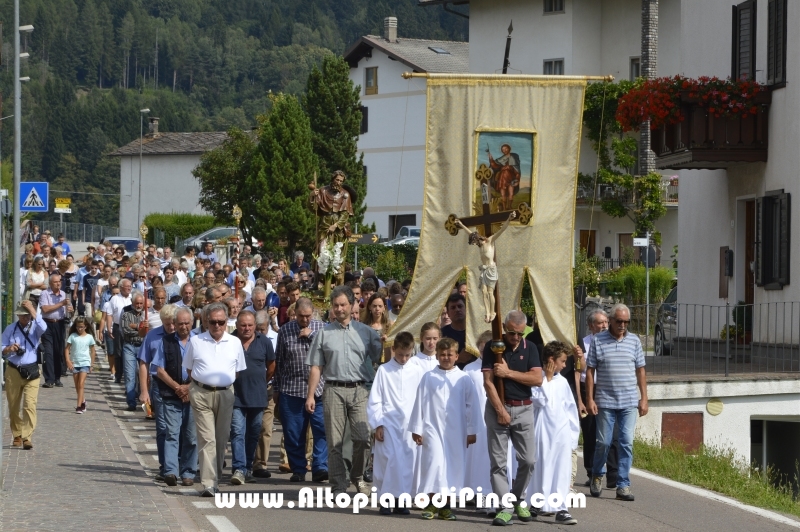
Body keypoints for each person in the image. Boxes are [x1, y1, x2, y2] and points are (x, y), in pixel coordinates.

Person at [306, 286, 383, 495]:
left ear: (352, 305)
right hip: (333, 390)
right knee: (335, 441)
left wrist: (385, 341)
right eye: (336, 305)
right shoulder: (323, 333)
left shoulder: (366, 333)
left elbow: (380, 359)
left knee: (363, 437)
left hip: (360, 390)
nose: (339, 309)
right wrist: (311, 395)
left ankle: (357, 476)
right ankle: (338, 485)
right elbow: (316, 367)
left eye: (343, 305)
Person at [482, 310, 541, 526]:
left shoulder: (530, 348)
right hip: (499, 408)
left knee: (528, 460)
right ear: (505, 330)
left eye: (519, 334)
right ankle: (505, 506)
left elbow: (537, 378)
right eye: (511, 333)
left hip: (524, 409)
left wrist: (508, 374)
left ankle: (517, 498)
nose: (515, 338)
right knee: (498, 462)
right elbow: (488, 382)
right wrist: (500, 410)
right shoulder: (493, 347)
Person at [409, 337, 478, 521]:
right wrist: (417, 427)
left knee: (452, 467)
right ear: (437, 356)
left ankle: (446, 506)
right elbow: (419, 403)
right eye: (442, 354)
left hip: (457, 430)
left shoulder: (463, 378)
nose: (446, 357)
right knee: (433, 464)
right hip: (432, 428)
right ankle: (431, 503)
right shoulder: (429, 377)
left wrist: (472, 430)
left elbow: (472, 405)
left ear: (457, 356)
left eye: (450, 354)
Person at [586, 303, 648, 502]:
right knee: (603, 442)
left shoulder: (634, 341)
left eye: (626, 322)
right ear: (611, 321)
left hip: (629, 401)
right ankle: (597, 474)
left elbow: (640, 370)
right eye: (619, 321)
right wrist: (589, 398)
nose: (622, 325)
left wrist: (644, 398)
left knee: (626, 442)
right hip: (605, 400)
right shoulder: (598, 340)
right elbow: (590, 370)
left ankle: (623, 484)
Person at [183, 302, 247, 497]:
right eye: (213, 322)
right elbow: (189, 369)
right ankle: (208, 483)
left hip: (226, 393)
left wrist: (223, 384)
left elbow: (237, 371)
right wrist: (203, 382)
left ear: (227, 322)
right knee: (207, 438)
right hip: (201, 393)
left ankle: (216, 476)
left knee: (220, 439)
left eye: (221, 322)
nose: (217, 326)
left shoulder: (234, 342)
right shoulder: (196, 341)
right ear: (205, 322)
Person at [366, 331, 425, 515]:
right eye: (400, 355)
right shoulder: (384, 370)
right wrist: (378, 424)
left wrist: (420, 425)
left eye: (408, 355)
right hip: (389, 423)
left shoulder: (416, 370)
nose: (404, 359)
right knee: (388, 461)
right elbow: (375, 399)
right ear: (393, 349)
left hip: (409, 425)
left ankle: (402, 500)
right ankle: (385, 500)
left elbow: (422, 399)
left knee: (407, 462)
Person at [275, 297, 327, 482]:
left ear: (313, 313)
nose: (304, 320)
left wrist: (311, 334)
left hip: (319, 389)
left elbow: (328, 352)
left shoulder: (322, 328)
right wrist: (277, 389)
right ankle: (298, 468)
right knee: (294, 432)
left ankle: (320, 466)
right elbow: (280, 361)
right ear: (295, 313)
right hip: (292, 389)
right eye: (301, 316)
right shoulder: (285, 330)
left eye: (307, 316)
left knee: (321, 429)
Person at [528, 341, 580, 525]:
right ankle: (536, 502)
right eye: (563, 361)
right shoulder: (537, 378)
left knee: (561, 468)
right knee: (541, 465)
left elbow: (571, 410)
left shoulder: (563, 382)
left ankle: (561, 509)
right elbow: (541, 400)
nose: (565, 365)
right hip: (542, 430)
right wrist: (547, 379)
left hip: (561, 432)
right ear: (551, 360)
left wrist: (573, 436)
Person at [152, 306, 197, 487]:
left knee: (191, 437)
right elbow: (159, 370)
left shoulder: (199, 342)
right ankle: (171, 471)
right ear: (175, 324)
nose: (184, 327)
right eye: (180, 323)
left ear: (192, 323)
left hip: (193, 394)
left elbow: (204, 368)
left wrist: (189, 387)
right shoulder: (166, 341)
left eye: (187, 323)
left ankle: (188, 472)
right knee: (172, 433)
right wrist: (178, 387)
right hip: (171, 394)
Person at [230, 310, 275, 485]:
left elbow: (271, 366)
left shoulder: (264, 342)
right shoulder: (230, 340)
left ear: (255, 326)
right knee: (237, 432)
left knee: (253, 433)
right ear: (237, 326)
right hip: (235, 396)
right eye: (243, 325)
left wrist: (261, 381)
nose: (247, 328)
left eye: (250, 325)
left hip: (258, 396)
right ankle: (239, 468)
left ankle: (247, 467)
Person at [577, 309, 619, 488]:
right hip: (589, 390)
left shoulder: (612, 342)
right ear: (591, 326)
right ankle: (591, 471)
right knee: (591, 433)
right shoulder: (583, 344)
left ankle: (613, 474)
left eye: (605, 323)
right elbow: (581, 369)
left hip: (608, 390)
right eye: (600, 323)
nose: (603, 326)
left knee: (612, 434)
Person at [454, 211, 516, 323]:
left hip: (491, 269)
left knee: (490, 292)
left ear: (478, 238)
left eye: (475, 242)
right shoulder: (479, 246)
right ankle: (487, 313)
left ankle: (493, 312)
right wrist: (461, 225)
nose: (475, 244)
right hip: (484, 270)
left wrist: (509, 219)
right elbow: (469, 233)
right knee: (483, 291)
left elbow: (501, 231)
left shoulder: (490, 241)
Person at [2, 300, 46, 449]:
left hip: (32, 371)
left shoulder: (35, 328)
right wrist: (9, 348)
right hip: (14, 370)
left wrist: (33, 311)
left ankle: (27, 437)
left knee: (29, 405)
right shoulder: (10, 329)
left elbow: (44, 327)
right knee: (13, 406)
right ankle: (17, 434)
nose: (24, 319)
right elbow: (1, 348)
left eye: (27, 316)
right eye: (22, 316)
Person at [463, 330, 493, 506]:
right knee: (475, 457)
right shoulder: (470, 369)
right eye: (481, 349)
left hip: (493, 419)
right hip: (475, 419)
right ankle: (472, 491)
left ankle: (491, 491)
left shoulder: (499, 367)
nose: (484, 353)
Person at [40, 273, 73, 388]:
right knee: (48, 351)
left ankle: (57, 378)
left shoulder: (64, 294)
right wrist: (61, 304)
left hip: (59, 324)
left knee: (59, 351)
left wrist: (70, 309)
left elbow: (68, 312)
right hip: (47, 324)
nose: (58, 283)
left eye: (60, 281)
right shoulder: (45, 294)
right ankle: (49, 379)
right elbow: (45, 309)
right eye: (55, 282)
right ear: (50, 283)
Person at [121, 292, 147, 410]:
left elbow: (149, 330)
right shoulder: (126, 315)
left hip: (143, 346)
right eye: (137, 303)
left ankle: (146, 402)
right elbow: (126, 330)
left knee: (145, 376)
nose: (139, 305)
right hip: (129, 346)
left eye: (141, 303)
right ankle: (131, 403)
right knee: (130, 375)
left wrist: (135, 326)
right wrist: (140, 327)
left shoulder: (147, 315)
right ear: (132, 303)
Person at [65, 317, 96, 414]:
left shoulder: (89, 337)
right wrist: (68, 361)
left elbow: (93, 351)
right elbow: (67, 349)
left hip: (85, 363)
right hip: (75, 363)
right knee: (77, 386)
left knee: (81, 384)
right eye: (78, 327)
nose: (80, 329)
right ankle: (83, 401)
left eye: (82, 327)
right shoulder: (73, 336)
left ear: (86, 327)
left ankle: (79, 406)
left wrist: (91, 364)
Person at [106, 279, 133, 384]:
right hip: (118, 327)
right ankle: (118, 375)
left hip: (131, 327)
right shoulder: (115, 299)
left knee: (129, 351)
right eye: (127, 286)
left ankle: (128, 376)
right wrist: (109, 328)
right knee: (118, 352)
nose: (129, 288)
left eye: (130, 286)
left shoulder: (133, 298)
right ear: (121, 287)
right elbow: (109, 313)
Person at [440, 293, 476, 369]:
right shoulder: (442, 334)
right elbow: (437, 361)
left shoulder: (475, 331)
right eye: (453, 308)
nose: (457, 309)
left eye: (460, 306)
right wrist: (458, 359)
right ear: (448, 313)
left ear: (466, 309)